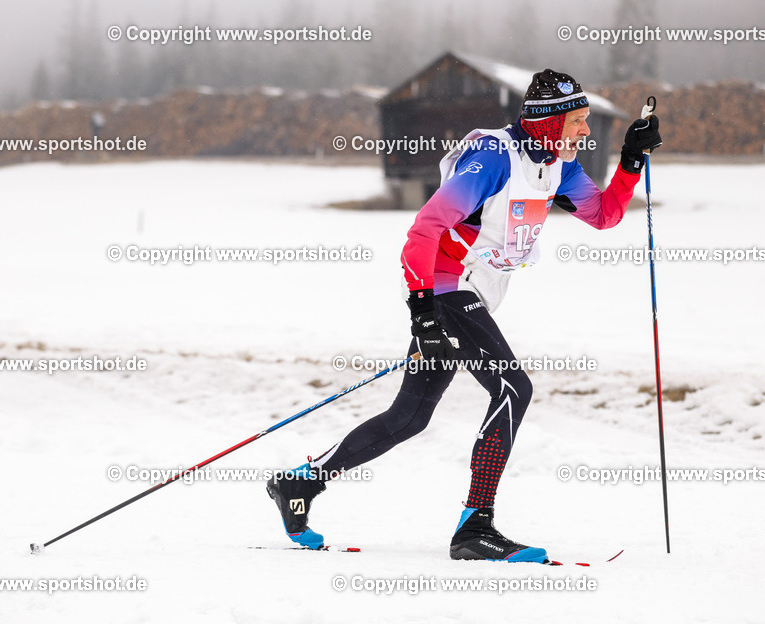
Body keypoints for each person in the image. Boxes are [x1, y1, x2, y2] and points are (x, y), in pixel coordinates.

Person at [267, 68, 662, 562]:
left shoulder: (558, 163)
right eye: (577, 121)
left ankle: (300, 484)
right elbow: (424, 230)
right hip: (444, 290)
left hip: (473, 293)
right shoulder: (494, 158)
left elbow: (603, 215)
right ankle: (476, 527)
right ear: (546, 121)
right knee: (513, 388)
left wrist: (629, 160)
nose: (585, 132)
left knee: (407, 417)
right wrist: (423, 315)